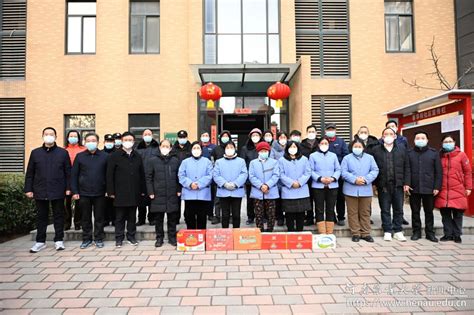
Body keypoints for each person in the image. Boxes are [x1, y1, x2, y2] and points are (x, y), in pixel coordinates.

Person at [25, 127, 71, 253]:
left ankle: (59, 240)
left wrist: (68, 188)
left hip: (58, 189)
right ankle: (40, 241)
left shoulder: (63, 153)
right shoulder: (35, 153)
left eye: (51, 134)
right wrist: (28, 189)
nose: (49, 136)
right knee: (41, 216)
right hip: (40, 189)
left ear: (56, 137)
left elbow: (68, 172)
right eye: (46, 134)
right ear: (43, 136)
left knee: (59, 215)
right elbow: (30, 173)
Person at [106, 131, 146, 248]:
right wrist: (111, 191)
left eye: (130, 140)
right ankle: (119, 238)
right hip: (119, 192)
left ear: (134, 142)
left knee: (132, 216)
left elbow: (141, 174)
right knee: (119, 217)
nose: (128, 142)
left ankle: (131, 236)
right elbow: (109, 175)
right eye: (125, 140)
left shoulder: (137, 156)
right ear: (122, 141)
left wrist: (143, 190)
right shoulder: (114, 156)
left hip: (134, 191)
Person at [371, 127, 409, 242]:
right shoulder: (376, 150)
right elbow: (373, 167)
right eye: (385, 134)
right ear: (382, 137)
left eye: (390, 134)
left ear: (395, 136)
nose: (388, 136)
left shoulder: (402, 149)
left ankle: (397, 230)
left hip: (398, 184)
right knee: (385, 209)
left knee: (398, 209)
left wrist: (407, 182)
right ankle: (387, 230)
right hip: (383, 185)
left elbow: (407, 167)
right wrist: (374, 184)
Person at [71, 133, 108, 249]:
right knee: (85, 218)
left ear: (98, 142)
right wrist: (75, 191)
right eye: (88, 140)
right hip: (84, 193)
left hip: (100, 192)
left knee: (99, 217)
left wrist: (108, 190)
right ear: (85, 142)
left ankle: (98, 238)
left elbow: (108, 175)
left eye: (93, 140)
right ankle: (86, 239)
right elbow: (74, 175)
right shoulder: (80, 156)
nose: (91, 142)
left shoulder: (105, 156)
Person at [404, 131, 442, 242]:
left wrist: (437, 186)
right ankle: (416, 232)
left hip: (429, 187)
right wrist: (407, 183)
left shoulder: (433, 153)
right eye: (418, 138)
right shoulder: (409, 153)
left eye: (422, 137)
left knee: (429, 211)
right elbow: (407, 170)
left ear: (427, 140)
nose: (420, 139)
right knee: (415, 211)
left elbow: (438, 172)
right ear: (414, 140)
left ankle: (430, 233)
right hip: (414, 187)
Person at [435, 135, 472, 243]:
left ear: (454, 142)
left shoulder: (461, 155)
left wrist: (468, 187)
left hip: (458, 188)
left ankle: (457, 234)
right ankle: (447, 234)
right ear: (442, 144)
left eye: (450, 141)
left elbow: (468, 172)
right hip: (443, 189)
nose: (448, 143)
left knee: (457, 214)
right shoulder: (439, 156)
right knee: (445, 214)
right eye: (445, 141)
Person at [341, 139, 379, 242]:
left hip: (365, 188)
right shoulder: (346, 158)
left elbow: (375, 170)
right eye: (355, 146)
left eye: (359, 146)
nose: (357, 148)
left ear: (363, 147)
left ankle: (365, 233)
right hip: (350, 189)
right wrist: (354, 179)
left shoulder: (370, 158)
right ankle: (355, 233)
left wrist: (366, 179)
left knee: (365, 212)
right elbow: (343, 172)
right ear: (352, 147)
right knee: (352, 212)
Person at [146, 139, 181, 247]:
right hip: (158, 193)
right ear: (160, 147)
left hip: (172, 193)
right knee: (158, 218)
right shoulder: (152, 160)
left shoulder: (175, 160)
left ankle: (172, 238)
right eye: (163, 146)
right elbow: (148, 177)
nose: (165, 148)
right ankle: (159, 238)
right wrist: (150, 191)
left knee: (172, 218)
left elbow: (179, 177)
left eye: (167, 146)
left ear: (170, 148)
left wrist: (179, 189)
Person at [178, 141, 213, 230]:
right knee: (190, 218)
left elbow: (210, 175)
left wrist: (199, 184)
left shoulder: (207, 162)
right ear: (191, 150)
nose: (196, 150)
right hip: (189, 194)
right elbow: (181, 175)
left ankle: (201, 239)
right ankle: (192, 239)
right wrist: (190, 184)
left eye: (198, 148)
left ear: (201, 150)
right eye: (194, 148)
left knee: (202, 218)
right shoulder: (185, 162)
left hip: (203, 194)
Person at [213, 141, 248, 229]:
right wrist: (224, 184)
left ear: (235, 149)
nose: (229, 149)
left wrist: (236, 184)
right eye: (227, 148)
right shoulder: (219, 162)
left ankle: (236, 233)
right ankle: (225, 235)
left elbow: (244, 174)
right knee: (225, 215)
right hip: (223, 191)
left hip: (237, 191)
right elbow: (216, 175)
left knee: (236, 215)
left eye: (231, 147)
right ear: (224, 150)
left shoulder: (241, 161)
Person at [309, 137, 340, 234]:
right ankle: (322, 232)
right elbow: (310, 170)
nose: (324, 145)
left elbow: (338, 169)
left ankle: (329, 232)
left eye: (326, 143)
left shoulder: (333, 156)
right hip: (318, 186)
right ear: (318, 145)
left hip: (332, 185)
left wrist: (332, 178)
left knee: (330, 208)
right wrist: (320, 178)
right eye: (322, 143)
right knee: (319, 208)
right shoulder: (313, 156)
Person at [278, 141, 312, 232]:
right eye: (291, 147)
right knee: (289, 214)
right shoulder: (282, 160)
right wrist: (291, 183)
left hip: (302, 190)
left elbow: (308, 172)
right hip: (288, 190)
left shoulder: (304, 159)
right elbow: (281, 174)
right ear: (287, 148)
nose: (293, 149)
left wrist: (300, 182)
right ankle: (291, 233)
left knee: (301, 214)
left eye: (295, 147)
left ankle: (300, 232)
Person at [382, 120, 410, 225]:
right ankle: (387, 225)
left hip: (398, 179)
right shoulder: (379, 146)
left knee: (398, 204)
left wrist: (406, 182)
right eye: (388, 127)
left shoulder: (403, 142)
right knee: (385, 206)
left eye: (393, 127)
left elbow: (406, 164)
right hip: (385, 181)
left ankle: (398, 223)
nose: (391, 129)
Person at [249, 142, 280, 232]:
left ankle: (270, 231)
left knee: (271, 214)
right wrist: (261, 186)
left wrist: (267, 185)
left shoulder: (274, 162)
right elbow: (251, 176)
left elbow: (276, 175)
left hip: (271, 191)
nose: (264, 152)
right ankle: (260, 231)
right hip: (257, 191)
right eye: (262, 151)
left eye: (266, 151)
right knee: (258, 214)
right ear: (258, 152)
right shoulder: (253, 163)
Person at [325, 123, 349, 227]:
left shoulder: (341, 142)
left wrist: (338, 166)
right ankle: (331, 216)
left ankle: (341, 217)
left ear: (335, 130)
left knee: (340, 197)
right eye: (329, 129)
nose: (331, 131)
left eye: (332, 129)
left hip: (338, 175)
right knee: (328, 198)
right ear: (325, 131)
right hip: (326, 175)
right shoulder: (323, 142)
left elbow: (346, 156)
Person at [135, 129, 159, 226]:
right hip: (141, 177)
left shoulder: (157, 147)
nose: (147, 135)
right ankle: (141, 219)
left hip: (153, 177)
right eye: (146, 134)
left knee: (152, 199)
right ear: (142, 136)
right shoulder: (138, 148)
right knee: (141, 200)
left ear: (152, 136)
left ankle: (152, 219)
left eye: (149, 134)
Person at [240, 128, 262, 225]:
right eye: (253, 135)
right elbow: (242, 163)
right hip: (249, 178)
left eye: (257, 135)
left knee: (261, 198)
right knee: (250, 199)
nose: (255, 137)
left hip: (262, 177)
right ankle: (250, 217)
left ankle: (262, 216)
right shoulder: (245, 149)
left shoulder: (264, 148)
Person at [64, 130, 85, 231]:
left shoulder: (83, 149)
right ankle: (67, 223)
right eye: (71, 136)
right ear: (67, 137)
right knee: (66, 202)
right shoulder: (63, 150)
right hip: (66, 179)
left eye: (75, 136)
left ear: (78, 138)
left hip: (80, 178)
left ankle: (78, 222)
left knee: (79, 202)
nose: (73, 137)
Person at [210, 130, 232, 225]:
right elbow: (212, 162)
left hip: (230, 177)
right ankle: (217, 216)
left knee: (230, 199)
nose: (225, 137)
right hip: (218, 178)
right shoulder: (216, 149)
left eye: (227, 136)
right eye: (223, 136)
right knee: (217, 198)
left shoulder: (232, 148)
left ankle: (229, 216)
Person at [301, 125, 319, 226]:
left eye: (313, 131)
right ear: (307, 133)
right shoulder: (302, 144)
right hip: (306, 176)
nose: (311, 133)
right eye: (309, 131)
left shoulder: (320, 143)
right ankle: (309, 217)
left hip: (318, 175)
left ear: (316, 133)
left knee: (318, 198)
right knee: (308, 198)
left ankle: (319, 217)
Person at [270, 131, 288, 226]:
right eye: (281, 137)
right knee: (279, 199)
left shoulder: (290, 147)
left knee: (288, 199)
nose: (283, 139)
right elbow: (272, 162)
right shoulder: (273, 149)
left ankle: (288, 216)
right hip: (277, 178)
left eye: (284, 137)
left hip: (289, 176)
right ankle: (280, 217)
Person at [199, 131, 217, 220]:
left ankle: (210, 213)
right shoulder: (198, 147)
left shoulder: (214, 147)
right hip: (199, 174)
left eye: (206, 135)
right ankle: (201, 212)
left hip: (211, 174)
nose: (205, 137)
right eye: (203, 135)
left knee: (211, 195)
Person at [103, 134, 116, 227]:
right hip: (103, 181)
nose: (109, 143)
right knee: (104, 203)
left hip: (115, 181)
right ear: (104, 142)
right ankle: (105, 220)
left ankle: (115, 220)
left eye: (111, 141)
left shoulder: (118, 153)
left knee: (114, 202)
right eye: (107, 141)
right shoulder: (100, 153)